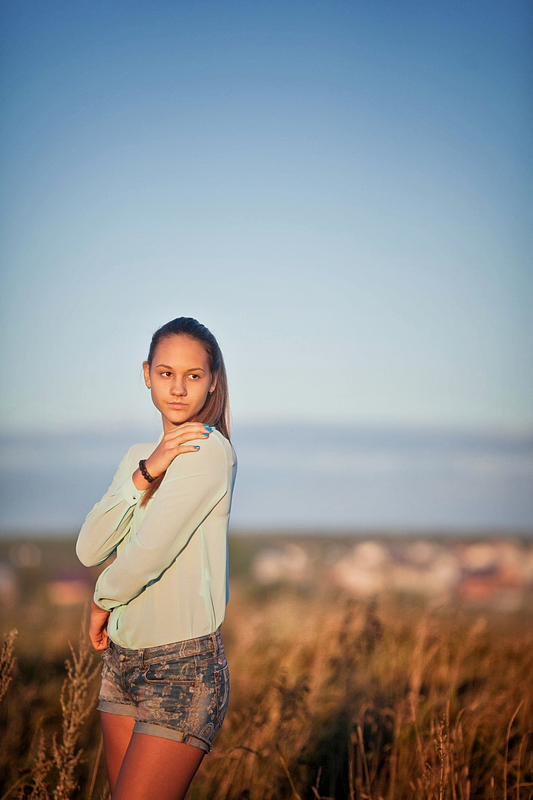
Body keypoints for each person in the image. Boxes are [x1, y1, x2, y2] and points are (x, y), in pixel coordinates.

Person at [76, 317, 237, 800]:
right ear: (147, 374)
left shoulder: (208, 452)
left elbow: (149, 552)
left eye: (193, 375)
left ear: (212, 381)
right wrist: (147, 471)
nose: (178, 388)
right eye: (166, 373)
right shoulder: (137, 456)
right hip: (121, 663)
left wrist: (101, 601)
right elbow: (90, 547)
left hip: (182, 669)